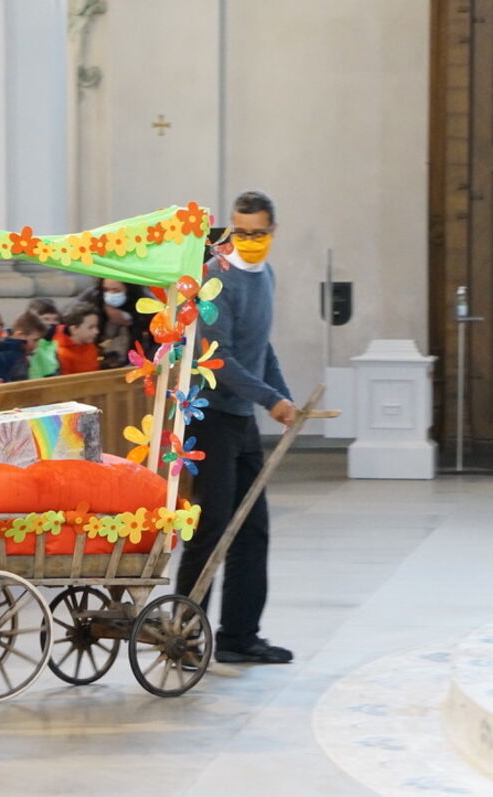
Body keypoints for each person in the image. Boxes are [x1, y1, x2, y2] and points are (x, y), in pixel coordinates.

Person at [174, 190, 298, 664]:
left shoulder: (266, 275)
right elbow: (217, 357)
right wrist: (270, 400)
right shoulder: (217, 278)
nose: (249, 241)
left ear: (273, 231)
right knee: (211, 528)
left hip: (242, 418)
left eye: (258, 233)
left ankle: (238, 637)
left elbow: (262, 349)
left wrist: (282, 396)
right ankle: (183, 636)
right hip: (210, 416)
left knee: (252, 528)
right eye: (241, 233)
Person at [76, 279, 153, 367]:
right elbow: (72, 314)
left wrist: (132, 318)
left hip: (134, 358)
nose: (110, 294)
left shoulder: (144, 300)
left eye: (116, 290)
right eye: (106, 289)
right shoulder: (94, 295)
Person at [53, 302, 101, 375]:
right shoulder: (61, 353)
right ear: (74, 329)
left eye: (96, 326)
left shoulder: (91, 347)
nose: (96, 331)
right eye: (90, 327)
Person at [9, 311, 59, 379]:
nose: (38, 344)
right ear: (19, 335)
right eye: (35, 340)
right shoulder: (6, 357)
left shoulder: (35, 354)